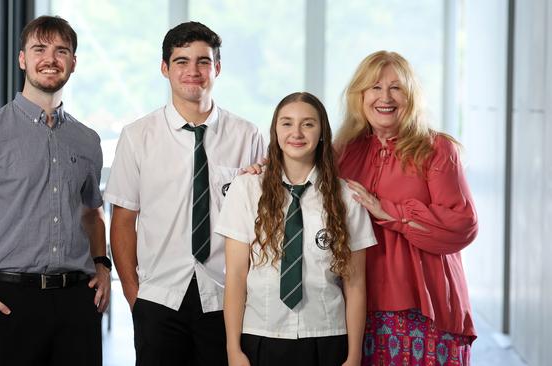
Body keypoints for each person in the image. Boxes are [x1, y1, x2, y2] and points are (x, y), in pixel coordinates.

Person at [0, 16, 110, 366]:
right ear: (22, 59)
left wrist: (102, 266)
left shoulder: (87, 140)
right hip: (8, 302)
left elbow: (92, 214)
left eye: (62, 51)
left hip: (77, 302)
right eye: (39, 49)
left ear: (73, 62)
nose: (51, 59)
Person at [104, 21, 266, 366]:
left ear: (217, 68)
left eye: (203, 61)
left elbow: (260, 223)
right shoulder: (138, 136)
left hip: (228, 299)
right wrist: (136, 298)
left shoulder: (247, 136)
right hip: (159, 300)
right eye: (181, 61)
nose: (193, 71)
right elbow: (122, 222)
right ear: (165, 68)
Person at [334, 50, 478, 365]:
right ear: (360, 96)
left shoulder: (437, 149)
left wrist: (391, 212)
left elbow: (462, 224)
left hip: (426, 306)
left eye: (396, 87)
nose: (385, 97)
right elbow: (297, 180)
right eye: (374, 87)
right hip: (358, 303)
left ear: (411, 96)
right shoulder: (342, 152)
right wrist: (261, 170)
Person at [217, 92, 377, 366]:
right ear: (275, 130)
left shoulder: (346, 197)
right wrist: (234, 349)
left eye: (308, 124)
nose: (297, 132)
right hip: (262, 334)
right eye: (287, 123)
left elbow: (355, 284)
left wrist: (353, 355)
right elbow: (235, 276)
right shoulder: (246, 188)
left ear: (322, 132)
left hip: (327, 336)